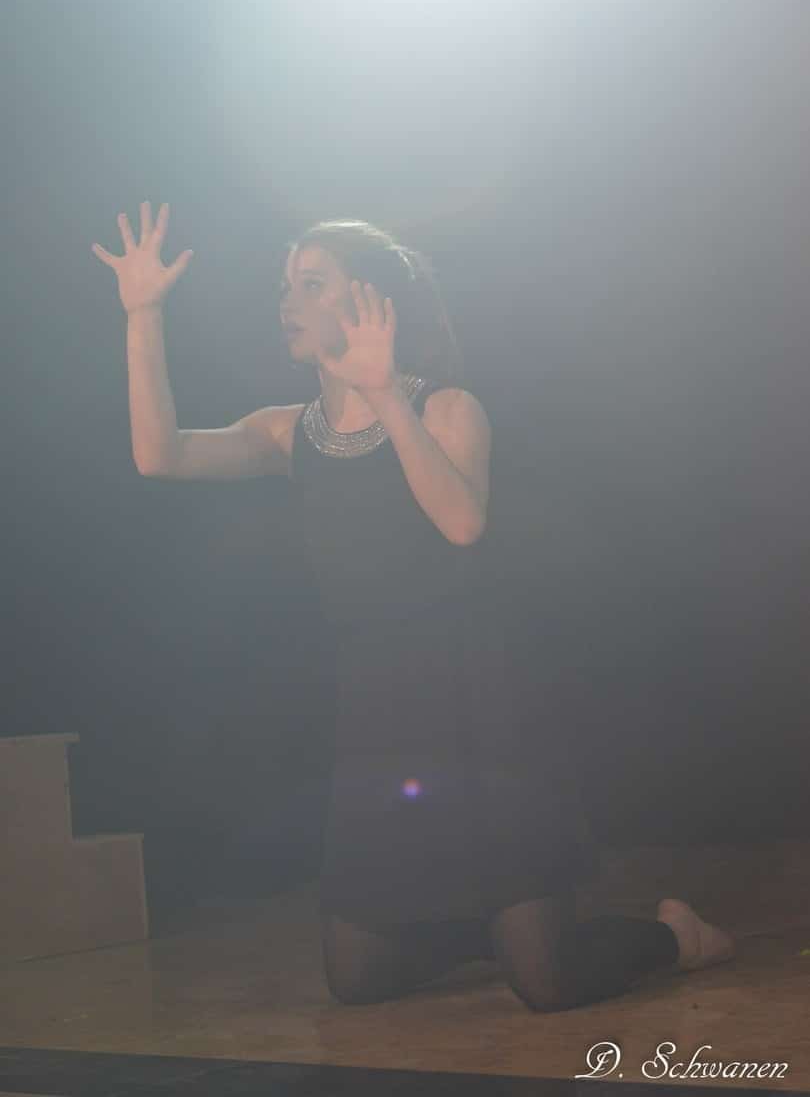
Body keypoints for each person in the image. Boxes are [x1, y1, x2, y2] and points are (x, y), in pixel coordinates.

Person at [92, 201, 736, 1011]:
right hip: (381, 717)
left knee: (548, 984)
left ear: (370, 301)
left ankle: (674, 936)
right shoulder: (288, 432)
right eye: (285, 285)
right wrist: (143, 314)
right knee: (359, 980)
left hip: (482, 705)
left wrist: (385, 392)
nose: (288, 301)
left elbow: (461, 524)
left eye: (312, 283)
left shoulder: (447, 408)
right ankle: (498, 936)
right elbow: (159, 455)